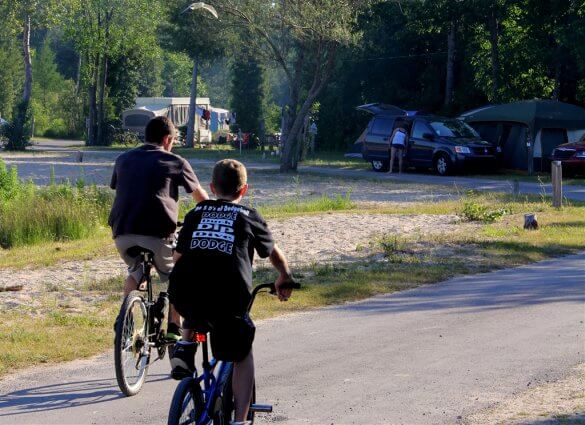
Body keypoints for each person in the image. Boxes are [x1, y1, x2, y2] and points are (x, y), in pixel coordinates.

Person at [169, 159, 294, 425]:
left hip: (186, 298)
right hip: (228, 300)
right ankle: (239, 420)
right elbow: (272, 253)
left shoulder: (196, 213)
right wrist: (284, 276)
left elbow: (178, 257)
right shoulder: (249, 216)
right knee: (242, 354)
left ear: (212, 187)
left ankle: (186, 343)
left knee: (193, 287)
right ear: (244, 190)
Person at [108, 116, 208, 341]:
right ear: (167, 139)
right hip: (157, 232)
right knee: (176, 276)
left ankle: (124, 318)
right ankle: (174, 325)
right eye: (172, 141)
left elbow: (121, 189)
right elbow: (201, 200)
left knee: (136, 271)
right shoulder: (176, 161)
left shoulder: (122, 159)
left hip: (122, 232)